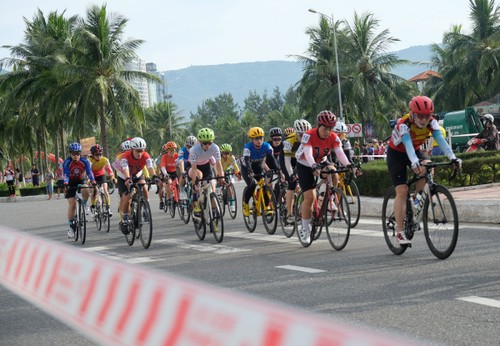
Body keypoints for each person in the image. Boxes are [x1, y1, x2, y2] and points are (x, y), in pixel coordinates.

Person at [387, 96, 461, 245]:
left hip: (414, 150)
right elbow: (407, 143)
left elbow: (440, 140)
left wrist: (453, 157)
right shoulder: (404, 124)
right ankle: (400, 232)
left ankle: (416, 201)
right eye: (420, 116)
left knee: (428, 167)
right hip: (396, 154)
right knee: (401, 190)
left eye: (427, 116)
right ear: (412, 114)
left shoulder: (432, 123)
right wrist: (414, 161)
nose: (423, 119)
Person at [295, 111, 352, 243]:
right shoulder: (309, 135)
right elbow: (308, 153)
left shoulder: (333, 137)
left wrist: (349, 164)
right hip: (304, 163)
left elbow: (340, 153)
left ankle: (329, 197)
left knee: (333, 172)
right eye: (325, 128)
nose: (327, 131)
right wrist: (314, 166)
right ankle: (304, 229)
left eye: (330, 128)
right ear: (318, 125)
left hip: (321, 161)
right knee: (310, 196)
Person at [116, 137, 158, 234]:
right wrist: (127, 178)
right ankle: (125, 218)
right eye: (137, 151)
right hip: (123, 177)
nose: (140, 153)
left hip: (137, 174)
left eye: (142, 151)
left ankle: (145, 207)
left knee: (144, 187)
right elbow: (125, 168)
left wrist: (155, 176)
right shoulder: (125, 156)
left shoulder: (146, 155)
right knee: (126, 197)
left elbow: (150, 167)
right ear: (132, 149)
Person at [240, 127, 279, 217]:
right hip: (247, 167)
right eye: (256, 138)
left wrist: (276, 169)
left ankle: (266, 206)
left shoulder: (267, 146)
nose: (259, 140)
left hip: (258, 165)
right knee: (252, 184)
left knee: (264, 185)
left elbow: (271, 159)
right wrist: (249, 171)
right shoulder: (248, 148)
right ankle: (245, 204)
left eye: (261, 138)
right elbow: (247, 160)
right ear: (252, 139)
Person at [281, 119, 311, 224]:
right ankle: (289, 214)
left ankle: (303, 211)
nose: (303, 137)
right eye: (301, 134)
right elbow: (287, 162)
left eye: (305, 134)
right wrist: (291, 174)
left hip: (301, 159)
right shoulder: (289, 141)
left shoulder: (310, 139)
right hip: (288, 160)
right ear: (296, 133)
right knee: (292, 182)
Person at [188, 128, 225, 214]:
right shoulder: (194, 150)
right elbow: (193, 169)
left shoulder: (215, 147)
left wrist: (221, 176)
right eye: (205, 143)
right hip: (195, 167)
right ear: (200, 142)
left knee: (212, 186)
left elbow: (218, 164)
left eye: (209, 143)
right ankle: (195, 200)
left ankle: (214, 211)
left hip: (206, 166)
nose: (207, 145)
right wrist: (194, 183)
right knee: (198, 179)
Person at [63, 142, 96, 239]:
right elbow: (66, 175)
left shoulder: (84, 161)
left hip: (81, 179)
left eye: (78, 153)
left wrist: (93, 182)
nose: (76, 155)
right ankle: (70, 227)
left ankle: (85, 204)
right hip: (70, 181)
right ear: (70, 153)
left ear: (80, 153)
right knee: (72, 204)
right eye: (73, 153)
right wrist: (65, 183)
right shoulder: (67, 162)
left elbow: (89, 173)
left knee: (86, 190)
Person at [88, 144, 116, 216]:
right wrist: (89, 180)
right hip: (92, 176)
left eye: (100, 154)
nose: (99, 156)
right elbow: (89, 171)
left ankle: (108, 209)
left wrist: (112, 177)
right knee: (94, 191)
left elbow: (109, 170)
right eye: (96, 155)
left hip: (101, 175)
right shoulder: (90, 160)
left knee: (105, 189)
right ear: (93, 154)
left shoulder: (105, 160)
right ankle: (93, 206)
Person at [219, 143, 241, 212]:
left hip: (227, 171)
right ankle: (218, 199)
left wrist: (238, 173)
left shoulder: (232, 157)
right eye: (225, 153)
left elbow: (236, 167)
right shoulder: (219, 158)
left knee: (230, 187)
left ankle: (232, 205)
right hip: (219, 172)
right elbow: (215, 168)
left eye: (228, 153)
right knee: (217, 186)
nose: (227, 155)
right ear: (221, 153)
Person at [159, 141, 179, 209]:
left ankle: (177, 198)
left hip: (174, 172)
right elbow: (162, 167)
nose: (172, 152)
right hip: (167, 172)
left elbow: (180, 164)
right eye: (170, 150)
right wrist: (165, 174)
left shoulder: (177, 155)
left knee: (178, 184)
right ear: (167, 150)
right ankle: (168, 198)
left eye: (173, 150)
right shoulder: (164, 156)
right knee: (169, 183)